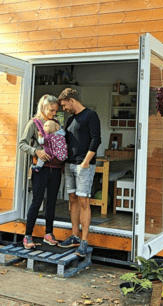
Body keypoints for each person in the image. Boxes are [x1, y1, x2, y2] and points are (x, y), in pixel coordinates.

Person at [57, 88, 101, 257]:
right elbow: (65, 142)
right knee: (73, 199)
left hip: (84, 165)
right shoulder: (70, 120)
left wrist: (86, 161)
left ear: (72, 100)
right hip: (69, 165)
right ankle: (74, 236)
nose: (63, 108)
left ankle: (84, 240)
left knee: (84, 201)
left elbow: (96, 139)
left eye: (64, 105)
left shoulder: (91, 115)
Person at [18, 95, 64, 249]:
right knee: (37, 201)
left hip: (56, 169)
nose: (54, 113)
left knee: (52, 202)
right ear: (44, 107)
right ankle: (27, 236)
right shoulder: (34, 123)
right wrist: (36, 151)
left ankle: (49, 234)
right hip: (40, 169)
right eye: (51, 110)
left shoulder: (57, 123)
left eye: (56, 110)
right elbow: (22, 144)